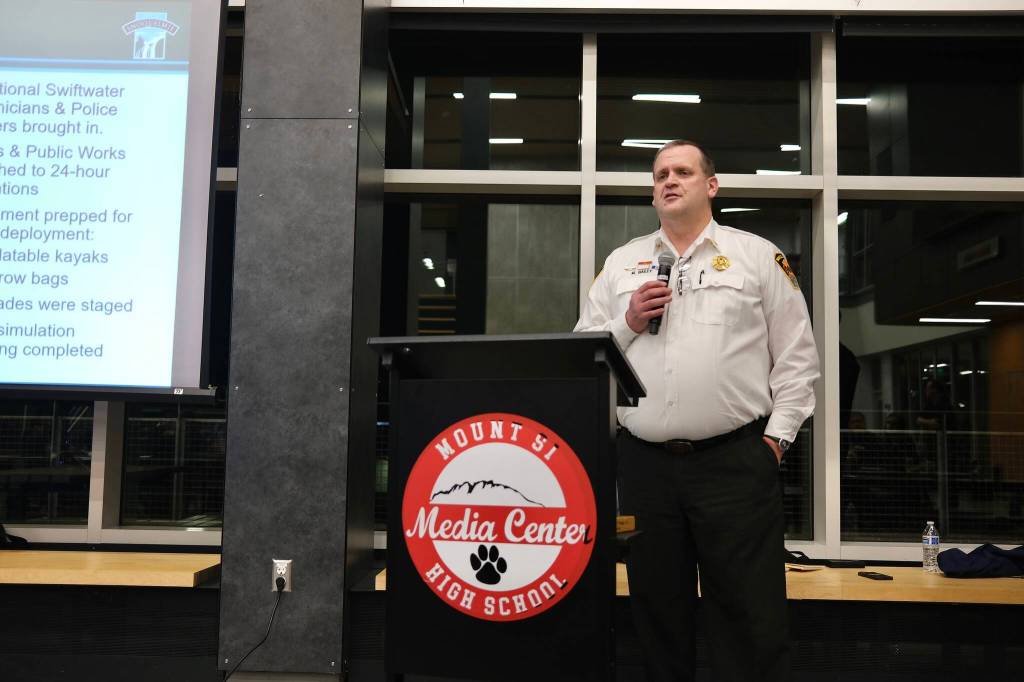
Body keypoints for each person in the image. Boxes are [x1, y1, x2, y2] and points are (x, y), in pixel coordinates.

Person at [574, 140, 819, 681]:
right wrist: (628, 322)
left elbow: (798, 358)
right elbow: (583, 356)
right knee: (656, 610)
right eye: (660, 173)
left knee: (749, 614)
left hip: (735, 463)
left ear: (711, 185)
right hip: (643, 469)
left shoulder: (757, 256)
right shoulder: (621, 264)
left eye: (683, 171)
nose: (669, 180)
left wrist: (775, 441)